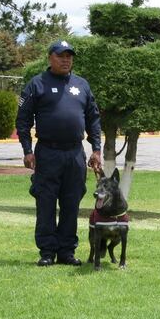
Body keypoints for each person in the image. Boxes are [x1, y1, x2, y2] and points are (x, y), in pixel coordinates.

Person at [16, 40, 102, 266]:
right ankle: (47, 252)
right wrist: (27, 150)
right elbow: (23, 121)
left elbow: (93, 118)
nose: (66, 60)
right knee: (45, 202)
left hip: (75, 154)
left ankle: (66, 251)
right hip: (47, 153)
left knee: (71, 202)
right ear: (50, 58)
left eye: (69, 56)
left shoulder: (82, 85)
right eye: (61, 55)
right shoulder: (37, 84)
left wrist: (96, 149)